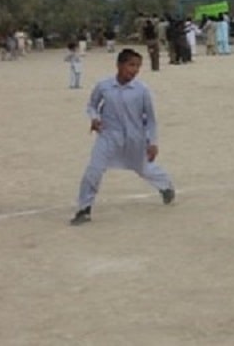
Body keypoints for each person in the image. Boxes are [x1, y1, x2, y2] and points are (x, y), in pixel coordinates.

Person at [69, 49, 175, 226]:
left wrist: (153, 142)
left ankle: (166, 186)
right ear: (119, 65)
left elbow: (151, 119)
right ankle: (84, 209)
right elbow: (92, 105)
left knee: (143, 168)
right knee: (93, 170)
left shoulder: (142, 90)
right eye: (131, 65)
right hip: (108, 136)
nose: (134, 70)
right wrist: (95, 118)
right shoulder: (104, 86)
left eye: (138, 67)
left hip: (135, 138)